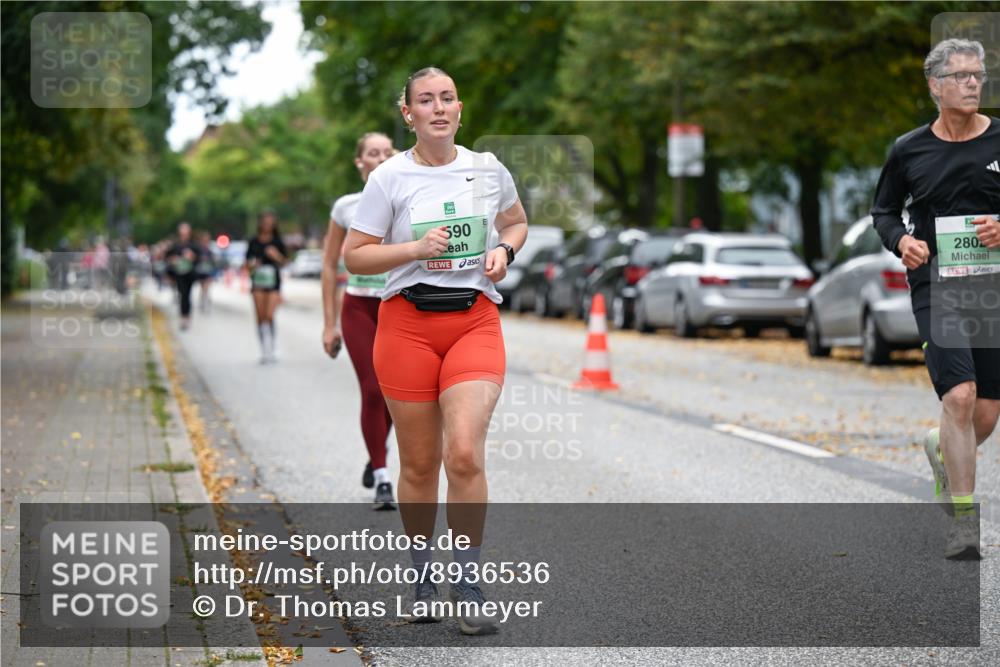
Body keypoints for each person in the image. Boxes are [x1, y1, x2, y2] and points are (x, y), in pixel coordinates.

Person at [344, 66, 528, 635]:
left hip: (473, 320)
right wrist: (415, 247)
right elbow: (355, 255)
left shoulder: (487, 169)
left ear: (460, 109)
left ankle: (468, 583)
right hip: (406, 327)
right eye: (426, 100)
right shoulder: (389, 178)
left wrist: (504, 250)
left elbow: (517, 222)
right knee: (420, 464)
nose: (439, 108)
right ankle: (423, 576)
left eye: (447, 98)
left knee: (465, 454)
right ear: (409, 115)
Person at [871, 38, 1000, 560]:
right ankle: (965, 524)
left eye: (979, 75)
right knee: (961, 398)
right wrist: (902, 241)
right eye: (962, 76)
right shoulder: (909, 150)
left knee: (987, 412)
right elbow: (883, 212)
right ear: (935, 86)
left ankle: (940, 445)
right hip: (938, 287)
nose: (973, 84)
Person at [322, 132, 398, 511]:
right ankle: (383, 478)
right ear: (360, 163)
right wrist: (328, 323)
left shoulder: (407, 199)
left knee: (397, 394)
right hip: (358, 309)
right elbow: (329, 264)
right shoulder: (346, 207)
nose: (381, 157)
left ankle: (376, 452)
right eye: (373, 153)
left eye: (387, 152)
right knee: (372, 388)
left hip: (398, 308)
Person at [245, 210, 288, 363]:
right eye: (265, 221)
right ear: (260, 223)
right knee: (260, 317)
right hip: (258, 282)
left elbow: (285, 262)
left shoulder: (278, 242)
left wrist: (276, 256)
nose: (268, 224)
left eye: (271, 221)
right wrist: (252, 265)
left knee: (270, 315)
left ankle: (273, 346)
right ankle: (264, 349)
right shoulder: (253, 242)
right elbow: (247, 264)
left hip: (273, 282)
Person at [165, 222, 204, 330]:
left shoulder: (194, 245)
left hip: (190, 274)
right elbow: (168, 256)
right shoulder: (176, 245)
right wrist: (173, 260)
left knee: (187, 295)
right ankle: (183, 317)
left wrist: (192, 257)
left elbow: (200, 257)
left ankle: (186, 317)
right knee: (183, 294)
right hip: (179, 274)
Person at [195, 230, 217, 313]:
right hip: (200, 272)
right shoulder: (198, 250)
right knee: (203, 288)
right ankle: (203, 301)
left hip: (208, 272)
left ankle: (205, 301)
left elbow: (214, 262)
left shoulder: (210, 251)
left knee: (206, 287)